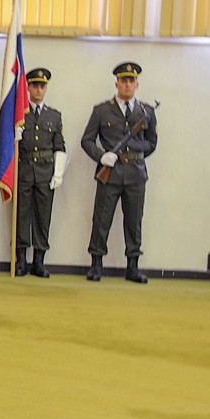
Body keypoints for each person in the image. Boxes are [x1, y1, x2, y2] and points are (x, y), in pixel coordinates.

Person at [80, 62, 158, 283]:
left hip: (135, 173)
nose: (127, 85)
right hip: (110, 173)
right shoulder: (101, 110)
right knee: (101, 219)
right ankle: (96, 265)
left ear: (137, 84)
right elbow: (87, 140)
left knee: (134, 221)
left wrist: (133, 150)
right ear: (116, 84)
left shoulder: (146, 112)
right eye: (123, 81)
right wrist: (101, 156)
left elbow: (151, 143)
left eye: (131, 81)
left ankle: (132, 266)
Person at [14, 67, 67, 277]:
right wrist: (14, 136)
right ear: (28, 88)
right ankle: (20, 260)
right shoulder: (19, 114)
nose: (38, 90)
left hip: (45, 172)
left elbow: (60, 146)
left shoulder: (54, 116)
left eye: (42, 86)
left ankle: (39, 261)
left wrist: (58, 174)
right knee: (21, 215)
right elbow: (7, 146)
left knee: (43, 217)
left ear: (46, 88)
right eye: (35, 85)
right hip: (24, 170)